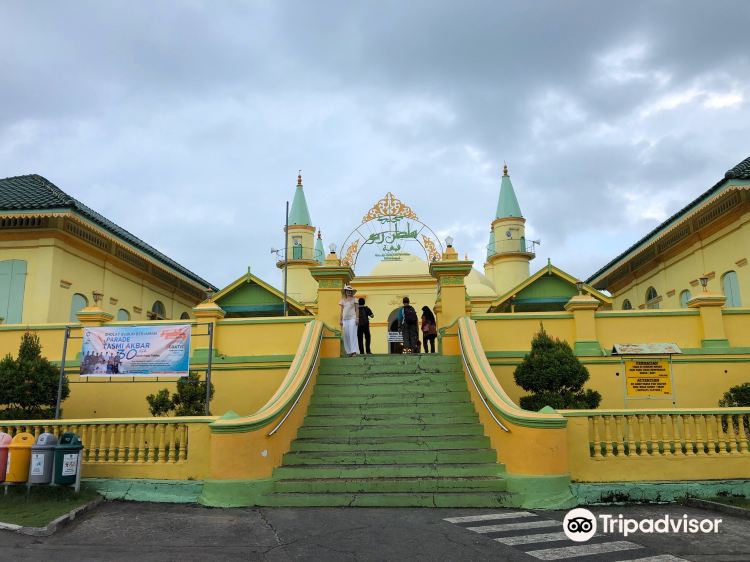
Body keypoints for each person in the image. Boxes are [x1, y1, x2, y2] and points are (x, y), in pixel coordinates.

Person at [339, 285, 359, 357]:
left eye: (350, 291)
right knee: (346, 335)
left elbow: (357, 309)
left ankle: (354, 351)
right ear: (345, 291)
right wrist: (340, 320)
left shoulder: (355, 299)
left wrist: (357, 318)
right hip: (345, 320)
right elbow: (341, 311)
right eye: (347, 291)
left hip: (352, 319)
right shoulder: (342, 300)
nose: (348, 292)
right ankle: (349, 351)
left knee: (352, 334)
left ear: (352, 292)